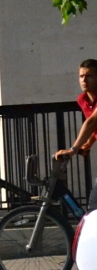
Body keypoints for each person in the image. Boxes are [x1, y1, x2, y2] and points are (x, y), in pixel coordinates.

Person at [54, 58, 97, 210]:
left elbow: (92, 122)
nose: (84, 80)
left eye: (89, 76)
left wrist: (73, 149)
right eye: (81, 76)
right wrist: (88, 144)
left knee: (94, 206)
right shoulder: (82, 100)